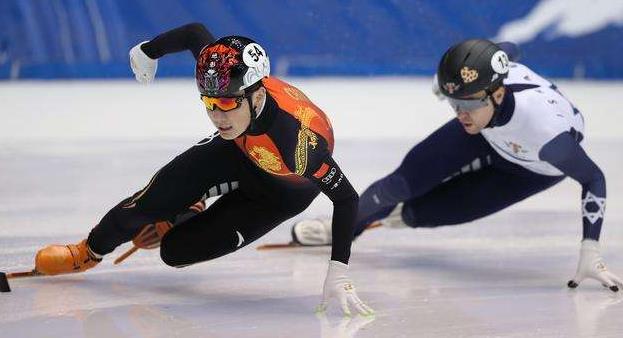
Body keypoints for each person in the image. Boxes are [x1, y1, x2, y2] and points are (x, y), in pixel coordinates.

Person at [33, 23, 373, 316]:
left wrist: (338, 269)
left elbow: (345, 198)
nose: (217, 116)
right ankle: (87, 251)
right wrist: (149, 51)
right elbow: (195, 33)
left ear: (256, 96)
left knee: (175, 252)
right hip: (238, 150)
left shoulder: (296, 144)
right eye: (209, 103)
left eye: (226, 103)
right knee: (151, 200)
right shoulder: (223, 72)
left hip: (278, 195)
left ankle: (186, 212)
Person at [292, 39, 622, 292]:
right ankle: (346, 227)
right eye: (454, 103)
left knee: (425, 214)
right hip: (486, 133)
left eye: (468, 103)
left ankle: (394, 217)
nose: (460, 113)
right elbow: (509, 49)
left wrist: (590, 247)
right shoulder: (476, 104)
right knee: (402, 182)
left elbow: (594, 178)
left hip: (530, 168)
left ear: (496, 93)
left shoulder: (547, 135)